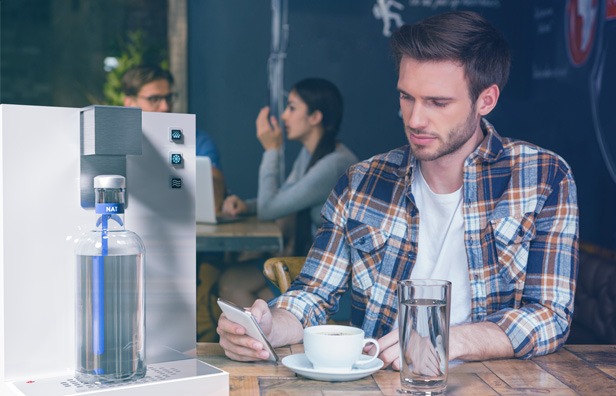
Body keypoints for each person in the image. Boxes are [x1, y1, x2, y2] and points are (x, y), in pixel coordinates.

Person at [217, 11, 579, 369]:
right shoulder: (359, 183)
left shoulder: (543, 177)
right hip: (384, 381)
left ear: (486, 100)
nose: (415, 119)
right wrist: (265, 326)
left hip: (495, 383)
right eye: (407, 97)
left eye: (438, 102)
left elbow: (550, 316)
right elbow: (313, 296)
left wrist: (450, 340)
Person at [217, 78, 359, 307]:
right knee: (247, 286)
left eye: (292, 108)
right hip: (314, 266)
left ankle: (280, 336)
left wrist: (272, 150)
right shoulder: (312, 154)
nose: (284, 116)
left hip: (334, 280)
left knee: (232, 283)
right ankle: (281, 337)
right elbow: (283, 199)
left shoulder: (334, 165)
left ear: (315, 117)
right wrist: (246, 205)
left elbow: (269, 209)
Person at [122, 65, 226, 209]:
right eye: (154, 99)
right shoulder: (117, 143)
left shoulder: (197, 139)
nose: (165, 106)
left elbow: (214, 202)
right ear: (129, 103)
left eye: (169, 97)